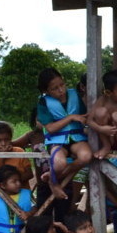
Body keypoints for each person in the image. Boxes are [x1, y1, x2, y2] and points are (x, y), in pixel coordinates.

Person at [35, 67, 94, 200]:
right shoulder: (43, 102)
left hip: (77, 138)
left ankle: (54, 176)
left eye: (62, 85)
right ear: (46, 91)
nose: (61, 90)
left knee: (86, 156)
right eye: (55, 88)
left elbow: (84, 115)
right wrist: (71, 117)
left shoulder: (74, 95)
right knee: (59, 163)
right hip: (56, 141)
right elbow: (50, 128)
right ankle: (53, 183)